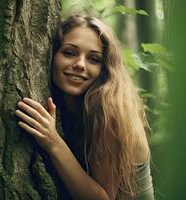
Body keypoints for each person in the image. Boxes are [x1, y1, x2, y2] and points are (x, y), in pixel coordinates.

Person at [14, 14, 154, 200]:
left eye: (94, 59)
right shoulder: (61, 103)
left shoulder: (111, 111)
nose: (80, 65)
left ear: (105, 69)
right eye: (69, 53)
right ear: (51, 56)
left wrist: (53, 142)